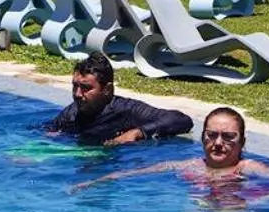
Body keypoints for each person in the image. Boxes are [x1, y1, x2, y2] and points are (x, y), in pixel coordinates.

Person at [74, 105, 269, 207]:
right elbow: (135, 173)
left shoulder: (247, 168)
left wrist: (258, 201)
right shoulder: (190, 165)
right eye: (212, 135)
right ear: (202, 138)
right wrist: (96, 181)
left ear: (242, 142)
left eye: (228, 137)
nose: (219, 143)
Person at [46, 52, 194, 147]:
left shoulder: (127, 110)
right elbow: (49, 131)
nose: (77, 94)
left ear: (107, 90)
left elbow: (182, 120)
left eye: (85, 88)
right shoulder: (72, 113)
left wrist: (138, 132)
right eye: (75, 86)